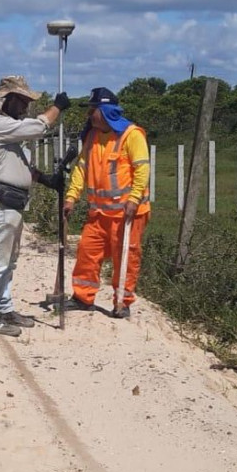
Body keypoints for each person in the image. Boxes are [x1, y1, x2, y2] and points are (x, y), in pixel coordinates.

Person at [0, 76, 70, 336]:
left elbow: (16, 164)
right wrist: (57, 107)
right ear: (9, 99)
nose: (26, 106)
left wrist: (45, 180)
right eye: (23, 101)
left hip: (11, 201)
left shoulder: (4, 129)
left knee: (9, 260)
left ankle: (4, 308)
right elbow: (37, 126)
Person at [63, 87, 151, 319]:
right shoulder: (92, 136)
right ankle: (83, 298)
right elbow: (81, 168)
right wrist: (71, 197)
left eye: (92, 110)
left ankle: (122, 302)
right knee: (87, 252)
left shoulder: (132, 135)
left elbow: (142, 169)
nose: (89, 115)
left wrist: (133, 199)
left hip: (128, 214)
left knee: (126, 258)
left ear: (105, 111)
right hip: (99, 213)